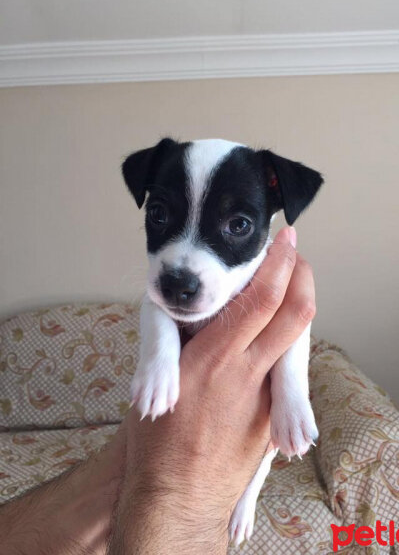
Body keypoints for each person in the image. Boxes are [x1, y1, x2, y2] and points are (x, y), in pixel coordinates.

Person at [0, 226, 316, 555]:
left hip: (255, 428)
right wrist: (158, 362)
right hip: (162, 441)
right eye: (160, 213)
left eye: (237, 225)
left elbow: (293, 328)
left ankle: (248, 496)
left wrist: (291, 394)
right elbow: (155, 309)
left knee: (264, 443)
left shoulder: (259, 273)